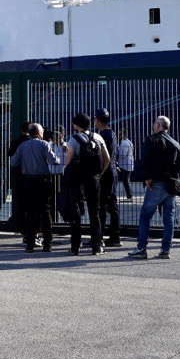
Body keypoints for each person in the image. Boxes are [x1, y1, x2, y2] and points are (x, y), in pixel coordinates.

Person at [128, 115, 180, 259]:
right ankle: (165, 250)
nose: (153, 125)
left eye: (155, 123)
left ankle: (141, 248)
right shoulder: (175, 143)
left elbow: (145, 160)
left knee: (145, 216)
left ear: (159, 126)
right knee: (168, 218)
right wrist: (171, 173)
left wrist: (147, 177)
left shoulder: (151, 139)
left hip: (155, 183)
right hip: (170, 185)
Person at [64, 113, 110, 255]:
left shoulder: (74, 139)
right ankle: (96, 246)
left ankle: (75, 247)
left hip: (78, 181)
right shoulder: (98, 137)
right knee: (94, 212)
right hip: (93, 179)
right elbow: (107, 159)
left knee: (76, 212)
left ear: (77, 125)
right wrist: (99, 174)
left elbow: (68, 162)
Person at [11, 123, 59, 252]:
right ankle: (47, 243)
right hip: (42, 180)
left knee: (30, 212)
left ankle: (30, 243)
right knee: (45, 211)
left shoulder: (22, 146)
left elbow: (13, 162)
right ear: (39, 133)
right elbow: (53, 160)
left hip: (28, 181)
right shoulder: (44, 144)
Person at [94, 108, 122, 248]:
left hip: (105, 172)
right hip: (113, 171)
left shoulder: (102, 135)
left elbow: (103, 156)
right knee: (112, 204)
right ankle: (115, 236)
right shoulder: (112, 133)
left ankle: (99, 236)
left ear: (98, 121)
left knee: (102, 205)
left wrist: (99, 173)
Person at [7, 121, 31, 236]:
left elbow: (10, 156)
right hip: (33, 175)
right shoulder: (35, 142)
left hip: (19, 175)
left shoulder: (15, 143)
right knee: (32, 203)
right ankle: (33, 229)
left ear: (21, 131)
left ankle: (22, 228)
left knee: (20, 203)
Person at [116, 128, 135, 201]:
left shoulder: (124, 143)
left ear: (124, 134)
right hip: (129, 164)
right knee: (126, 181)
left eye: (120, 134)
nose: (119, 135)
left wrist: (117, 151)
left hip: (125, 165)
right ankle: (130, 195)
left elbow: (123, 155)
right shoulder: (129, 142)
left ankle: (129, 196)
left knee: (125, 181)